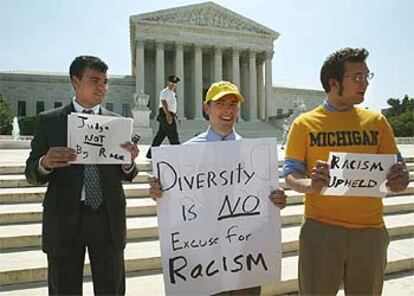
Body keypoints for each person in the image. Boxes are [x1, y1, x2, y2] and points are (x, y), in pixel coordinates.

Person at [282, 48, 409, 295]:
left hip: (370, 232)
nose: (365, 83)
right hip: (321, 231)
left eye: (367, 76)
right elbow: (290, 174)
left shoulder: (377, 122)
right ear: (333, 82)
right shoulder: (304, 124)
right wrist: (310, 185)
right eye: (357, 77)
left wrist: (399, 180)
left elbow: (397, 172)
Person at [150, 80, 287, 296]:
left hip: (245, 255)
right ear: (207, 108)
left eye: (233, 104)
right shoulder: (184, 154)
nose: (228, 110)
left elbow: (263, 200)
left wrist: (278, 199)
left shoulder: (256, 154)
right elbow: (174, 201)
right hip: (204, 257)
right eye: (220, 103)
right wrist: (159, 192)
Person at [25, 55, 139, 295]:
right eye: (94, 80)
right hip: (64, 219)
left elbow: (127, 173)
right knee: (64, 288)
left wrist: (129, 163)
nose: (102, 87)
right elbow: (31, 173)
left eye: (105, 82)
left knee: (111, 287)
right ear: (75, 81)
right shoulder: (50, 122)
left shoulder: (117, 123)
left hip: (107, 218)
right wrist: (45, 162)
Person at [146, 75, 181, 159]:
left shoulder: (172, 93)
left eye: (175, 83)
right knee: (173, 135)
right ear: (168, 83)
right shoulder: (165, 92)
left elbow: (171, 106)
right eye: (172, 83)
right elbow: (164, 103)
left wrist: (175, 116)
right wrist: (168, 115)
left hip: (169, 114)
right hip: (165, 114)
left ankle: (150, 154)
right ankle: (179, 154)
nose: (173, 85)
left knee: (160, 136)